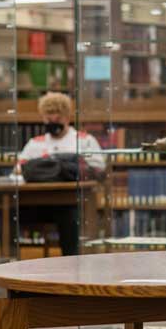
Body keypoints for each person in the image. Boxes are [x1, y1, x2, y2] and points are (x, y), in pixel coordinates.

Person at [17, 92, 105, 255]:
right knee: (12, 212)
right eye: (48, 118)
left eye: (57, 118)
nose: (53, 122)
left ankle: (70, 263)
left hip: (71, 202)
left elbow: (99, 169)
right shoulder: (35, 143)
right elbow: (18, 168)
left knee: (70, 216)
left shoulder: (84, 140)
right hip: (37, 203)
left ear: (67, 116)